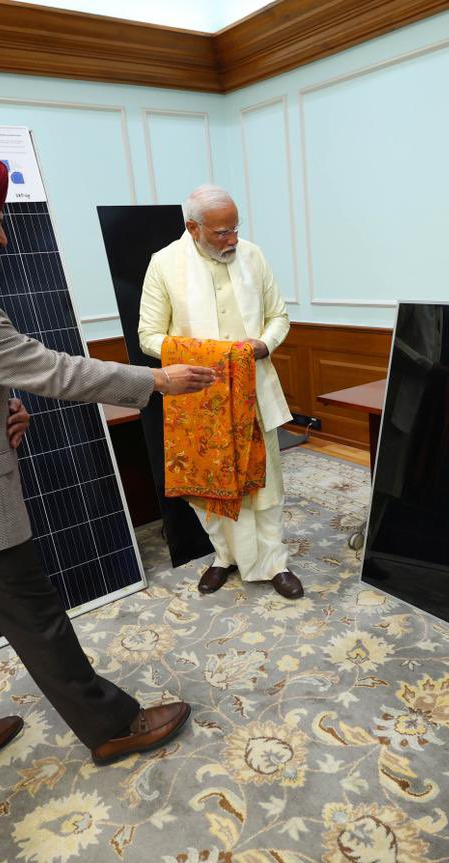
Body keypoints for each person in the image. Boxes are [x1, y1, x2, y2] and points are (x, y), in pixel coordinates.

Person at [0, 152, 216, 790]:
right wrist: (157, 380)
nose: (2, 237)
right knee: (38, 618)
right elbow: (54, 369)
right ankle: (112, 725)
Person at [139, 185, 303, 600]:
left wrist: (263, 344)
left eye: (235, 229)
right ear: (193, 227)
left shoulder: (253, 255)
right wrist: (209, 357)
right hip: (201, 399)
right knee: (210, 486)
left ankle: (275, 563)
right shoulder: (164, 264)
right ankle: (224, 557)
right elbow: (148, 336)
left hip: (254, 391)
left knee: (266, 483)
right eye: (221, 232)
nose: (232, 239)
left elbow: (278, 316)